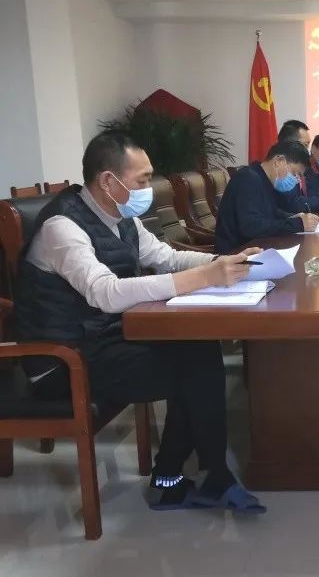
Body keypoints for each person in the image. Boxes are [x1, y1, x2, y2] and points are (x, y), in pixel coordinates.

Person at [15, 131, 266, 512]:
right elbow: (104, 292)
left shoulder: (122, 217)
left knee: (198, 348)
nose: (149, 188)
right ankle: (197, 477)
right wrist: (202, 278)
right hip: (64, 359)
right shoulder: (62, 227)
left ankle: (187, 476)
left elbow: (166, 257)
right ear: (108, 181)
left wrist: (224, 263)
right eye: (143, 180)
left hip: (105, 337)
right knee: (194, 369)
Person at [215, 140, 319, 252]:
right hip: (236, 253)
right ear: (279, 161)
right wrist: (298, 224)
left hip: (256, 247)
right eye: (294, 173)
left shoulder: (263, 178)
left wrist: (294, 217)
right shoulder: (247, 179)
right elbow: (251, 227)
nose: (297, 180)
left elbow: (272, 212)